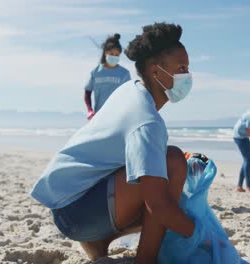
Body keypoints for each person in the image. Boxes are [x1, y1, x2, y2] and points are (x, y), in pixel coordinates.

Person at [30, 23, 198, 263]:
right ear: (155, 71)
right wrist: (201, 234)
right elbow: (158, 206)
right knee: (172, 163)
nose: (187, 76)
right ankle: (146, 260)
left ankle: (99, 241)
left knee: (165, 167)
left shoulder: (130, 89)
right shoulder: (146, 121)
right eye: (181, 68)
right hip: (76, 214)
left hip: (66, 206)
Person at [84, 33, 131, 120]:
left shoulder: (125, 74)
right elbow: (87, 92)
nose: (114, 56)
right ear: (105, 53)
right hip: (98, 116)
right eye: (111, 54)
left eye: (117, 55)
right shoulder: (96, 72)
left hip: (118, 116)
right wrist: (90, 110)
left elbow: (129, 96)